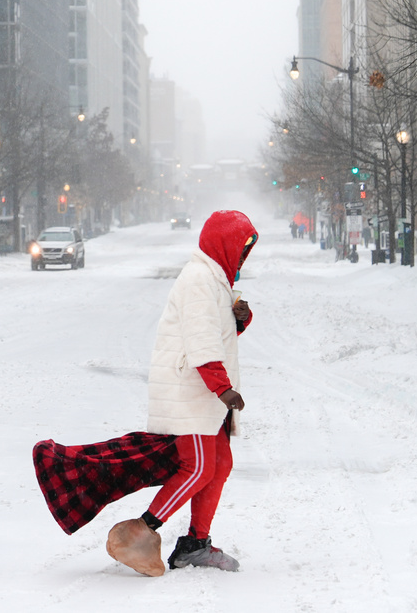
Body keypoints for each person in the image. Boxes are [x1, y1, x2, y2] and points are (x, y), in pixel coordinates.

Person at [105, 210, 258, 577]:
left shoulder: (214, 280)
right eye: (240, 247)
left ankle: (195, 545)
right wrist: (223, 388)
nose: (241, 256)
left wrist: (238, 319)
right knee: (200, 466)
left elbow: (215, 334)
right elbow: (202, 343)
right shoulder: (199, 280)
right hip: (190, 391)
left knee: (219, 466)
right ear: (224, 244)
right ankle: (138, 532)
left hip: (201, 393)